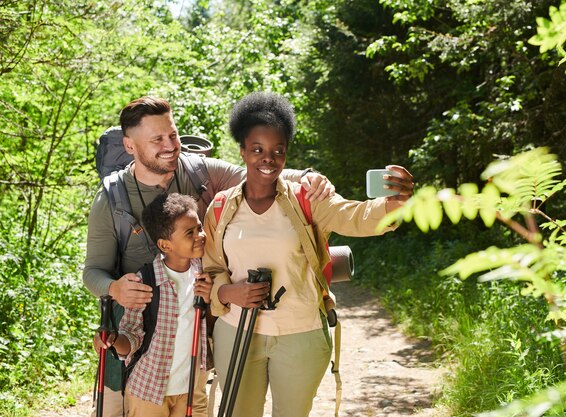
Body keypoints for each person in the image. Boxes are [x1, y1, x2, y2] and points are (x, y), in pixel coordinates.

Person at [83, 96, 335, 417]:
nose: (171, 145)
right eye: (157, 139)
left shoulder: (200, 173)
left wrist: (310, 177)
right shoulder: (112, 198)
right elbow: (93, 272)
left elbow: (261, 173)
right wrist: (114, 288)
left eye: (173, 135)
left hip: (192, 342)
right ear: (130, 146)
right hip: (133, 343)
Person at [202, 91, 414, 417]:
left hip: (299, 335)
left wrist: (394, 205)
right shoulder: (220, 207)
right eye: (257, 149)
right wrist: (229, 291)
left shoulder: (307, 199)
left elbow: (355, 215)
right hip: (236, 331)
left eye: (278, 150)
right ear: (242, 151)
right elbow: (212, 269)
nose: (267, 158)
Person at [95, 193, 212, 417]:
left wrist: (208, 301)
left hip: (192, 389)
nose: (201, 235)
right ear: (164, 245)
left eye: (199, 227)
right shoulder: (146, 281)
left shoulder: (204, 273)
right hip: (149, 391)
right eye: (190, 233)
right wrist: (111, 341)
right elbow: (131, 337)